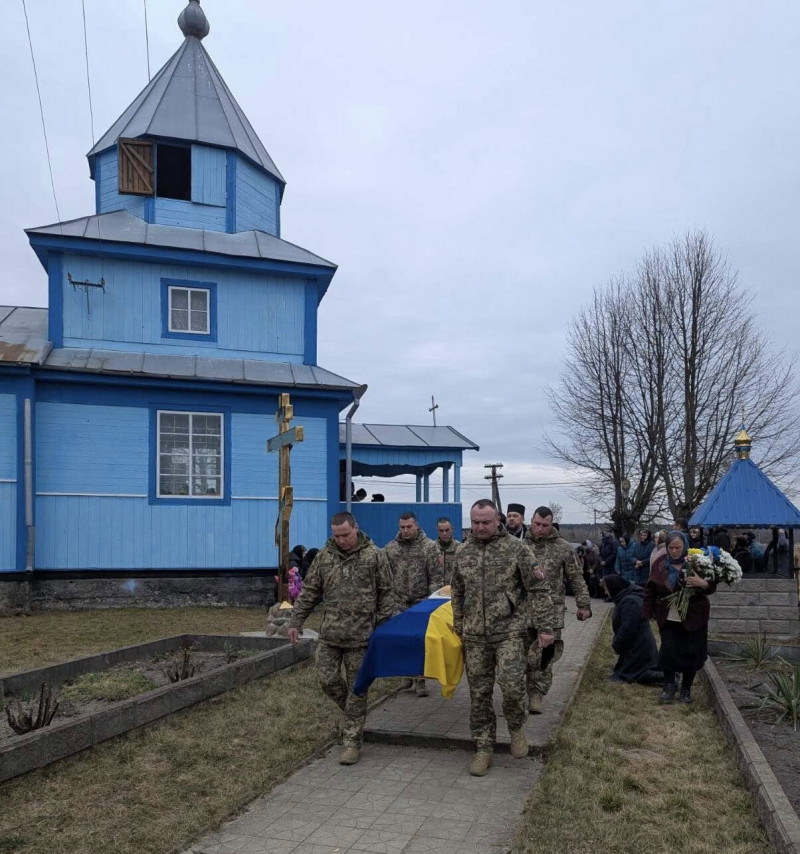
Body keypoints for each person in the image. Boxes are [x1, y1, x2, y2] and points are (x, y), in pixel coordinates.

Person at [451, 499, 554, 777]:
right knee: (479, 694)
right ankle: (483, 747)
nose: (480, 527)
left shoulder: (517, 549)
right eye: (475, 522)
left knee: (511, 687)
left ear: (498, 520)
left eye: (485, 522)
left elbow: (538, 589)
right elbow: (457, 592)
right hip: (474, 636)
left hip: (510, 632)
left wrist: (545, 628)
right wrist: (458, 625)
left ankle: (517, 727)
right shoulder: (463, 552)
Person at [288, 512, 394, 765]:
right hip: (331, 635)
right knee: (327, 680)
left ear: (356, 528)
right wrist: (296, 621)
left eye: (345, 535)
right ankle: (352, 716)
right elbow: (311, 591)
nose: (342, 540)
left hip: (362, 637)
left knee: (358, 689)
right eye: (337, 536)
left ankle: (352, 741)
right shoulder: (325, 557)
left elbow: (387, 593)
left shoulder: (374, 556)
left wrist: (384, 626)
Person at [524, 506, 591, 713]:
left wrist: (584, 604)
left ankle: (536, 694)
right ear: (531, 522)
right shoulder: (520, 546)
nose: (541, 529)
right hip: (522, 612)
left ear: (551, 525)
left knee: (545, 657)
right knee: (522, 655)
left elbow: (576, 577)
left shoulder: (562, 547)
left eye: (545, 525)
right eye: (537, 524)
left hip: (551, 614)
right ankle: (519, 693)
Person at [643, 531, 716, 704]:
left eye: (678, 547)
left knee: (691, 653)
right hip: (669, 617)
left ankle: (686, 689)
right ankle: (669, 685)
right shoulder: (659, 564)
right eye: (671, 548)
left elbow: (712, 585)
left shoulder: (697, 562)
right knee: (669, 651)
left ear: (685, 546)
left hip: (694, 616)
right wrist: (647, 612)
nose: (675, 551)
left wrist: (703, 583)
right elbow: (650, 589)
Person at [384, 512, 442, 696]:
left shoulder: (430, 547)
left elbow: (436, 576)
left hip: (421, 602)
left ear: (416, 526)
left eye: (409, 527)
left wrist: (430, 601)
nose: (406, 530)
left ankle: (421, 679)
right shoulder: (391, 549)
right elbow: (386, 577)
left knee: (419, 641)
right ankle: (407, 675)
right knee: (402, 640)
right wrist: (390, 599)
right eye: (402, 527)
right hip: (399, 602)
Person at [602, 574, 659, 684]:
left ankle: (668, 678)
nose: (606, 592)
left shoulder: (630, 601)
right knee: (636, 674)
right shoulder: (626, 598)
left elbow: (627, 629)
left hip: (640, 649)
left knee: (640, 675)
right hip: (637, 646)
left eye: (606, 589)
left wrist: (616, 644)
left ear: (614, 587)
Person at [435, 517, 461, 586]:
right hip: (436, 592)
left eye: (447, 530)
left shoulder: (460, 548)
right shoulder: (431, 548)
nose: (444, 533)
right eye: (441, 531)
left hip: (454, 591)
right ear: (437, 530)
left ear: (452, 529)